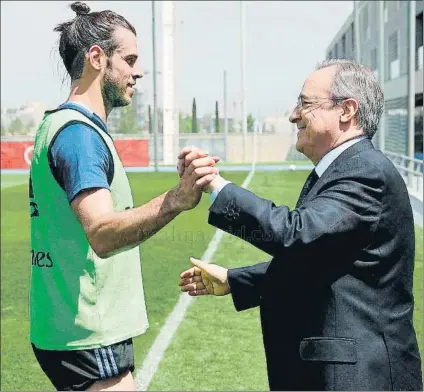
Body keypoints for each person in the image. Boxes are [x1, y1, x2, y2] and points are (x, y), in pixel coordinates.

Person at [178, 60, 423, 390]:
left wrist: (216, 185)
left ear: (346, 111)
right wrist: (235, 280)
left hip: (362, 377)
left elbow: (297, 234)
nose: (294, 115)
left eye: (305, 104)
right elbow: (323, 262)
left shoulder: (365, 172)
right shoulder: (344, 170)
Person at [28, 2, 219, 391]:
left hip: (66, 324)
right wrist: (176, 200)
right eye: (129, 59)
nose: (138, 71)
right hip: (88, 329)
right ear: (97, 58)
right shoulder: (79, 135)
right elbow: (102, 232)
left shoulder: (60, 124)